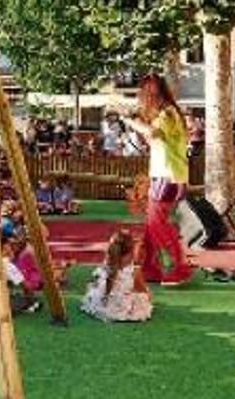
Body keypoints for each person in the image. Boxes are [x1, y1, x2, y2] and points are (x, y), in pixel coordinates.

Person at [121, 74, 192, 286]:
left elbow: (154, 133)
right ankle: (150, 267)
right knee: (151, 225)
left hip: (167, 175)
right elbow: (156, 139)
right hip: (167, 174)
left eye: (145, 96)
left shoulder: (167, 114)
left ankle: (180, 266)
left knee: (156, 223)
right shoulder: (168, 113)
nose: (142, 101)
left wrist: (131, 122)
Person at [81, 230, 152, 322]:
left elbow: (97, 282)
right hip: (123, 307)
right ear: (130, 254)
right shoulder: (134, 271)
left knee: (96, 290)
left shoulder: (107, 266)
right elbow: (143, 290)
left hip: (106, 304)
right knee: (144, 296)